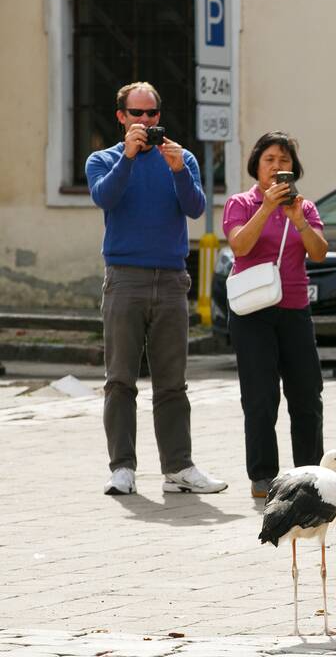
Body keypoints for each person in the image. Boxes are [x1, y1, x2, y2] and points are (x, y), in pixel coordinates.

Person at [86, 81, 227, 496]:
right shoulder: (104, 159)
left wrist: (180, 170)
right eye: (137, 115)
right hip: (124, 277)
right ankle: (122, 468)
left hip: (169, 279)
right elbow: (104, 197)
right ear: (121, 118)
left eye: (151, 115)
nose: (145, 122)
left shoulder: (181, 158)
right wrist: (128, 157)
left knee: (172, 382)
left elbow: (196, 208)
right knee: (120, 379)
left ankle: (179, 468)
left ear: (159, 117)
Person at [223, 131, 330, 499]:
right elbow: (240, 245)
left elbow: (318, 252)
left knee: (306, 394)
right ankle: (263, 475)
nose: (277, 167)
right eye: (270, 160)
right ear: (257, 165)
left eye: (284, 161)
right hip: (253, 311)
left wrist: (298, 220)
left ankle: (309, 473)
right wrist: (267, 208)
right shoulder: (240, 203)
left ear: (293, 169)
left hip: (294, 309)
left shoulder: (307, 207)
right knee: (260, 394)